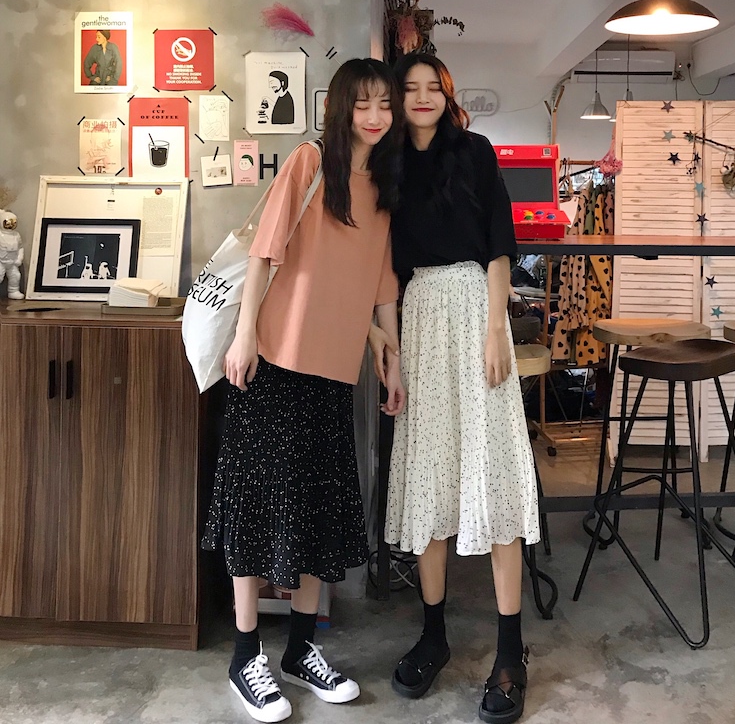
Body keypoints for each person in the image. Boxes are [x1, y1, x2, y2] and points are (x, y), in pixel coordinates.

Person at [201, 57, 406, 724]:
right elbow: (265, 253)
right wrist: (243, 337)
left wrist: (390, 355)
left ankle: (299, 651)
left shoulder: (383, 185)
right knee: (256, 505)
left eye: (385, 105)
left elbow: (379, 285)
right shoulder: (309, 163)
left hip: (333, 369)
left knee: (318, 509)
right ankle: (245, 655)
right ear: (341, 107)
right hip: (273, 361)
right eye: (363, 103)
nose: (375, 116)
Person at [370, 53, 539, 724]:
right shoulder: (386, 165)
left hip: (475, 311)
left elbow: (499, 245)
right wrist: (391, 352)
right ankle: (433, 635)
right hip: (418, 319)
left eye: (431, 88)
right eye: (408, 89)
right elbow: (383, 271)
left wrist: (497, 330)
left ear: (446, 94)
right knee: (431, 479)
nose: (421, 98)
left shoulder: (475, 151)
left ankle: (510, 653)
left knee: (494, 475)